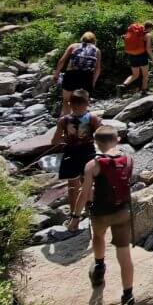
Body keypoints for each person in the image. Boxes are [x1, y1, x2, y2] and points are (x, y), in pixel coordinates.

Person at [66, 126, 135, 305]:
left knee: (98, 236)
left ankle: (98, 267)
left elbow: (84, 193)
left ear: (96, 143)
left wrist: (75, 218)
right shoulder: (128, 158)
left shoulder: (93, 164)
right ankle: (128, 298)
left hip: (100, 212)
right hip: (122, 211)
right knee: (124, 254)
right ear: (117, 140)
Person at [51, 89, 101, 222]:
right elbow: (101, 136)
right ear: (88, 103)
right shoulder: (93, 118)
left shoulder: (64, 120)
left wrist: (66, 139)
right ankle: (91, 213)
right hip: (88, 153)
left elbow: (54, 141)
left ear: (69, 103)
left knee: (73, 186)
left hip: (71, 154)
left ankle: (74, 216)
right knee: (88, 184)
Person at [54, 31, 101, 115]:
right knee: (82, 101)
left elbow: (62, 61)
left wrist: (56, 74)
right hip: (87, 77)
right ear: (94, 40)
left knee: (66, 100)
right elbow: (97, 69)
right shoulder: (97, 50)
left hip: (71, 74)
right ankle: (80, 120)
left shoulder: (73, 46)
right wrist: (93, 82)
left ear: (82, 39)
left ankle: (67, 119)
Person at [119, 21, 153, 96]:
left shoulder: (135, 33)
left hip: (132, 55)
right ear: (150, 28)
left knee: (135, 75)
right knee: (145, 75)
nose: (151, 31)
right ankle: (144, 91)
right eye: (151, 29)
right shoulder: (147, 35)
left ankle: (123, 85)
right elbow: (148, 49)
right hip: (142, 56)